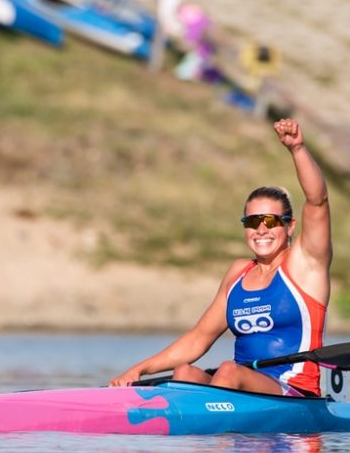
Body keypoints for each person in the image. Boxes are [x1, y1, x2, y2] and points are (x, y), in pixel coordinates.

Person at [110, 118, 332, 397]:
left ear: (290, 226)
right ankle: (196, 433)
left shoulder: (305, 265)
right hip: (240, 386)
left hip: (294, 391)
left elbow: (318, 201)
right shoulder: (238, 273)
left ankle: (206, 432)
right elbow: (199, 338)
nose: (261, 229)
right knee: (185, 372)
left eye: (270, 220)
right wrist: (139, 370)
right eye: (252, 222)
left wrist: (297, 149)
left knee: (227, 370)